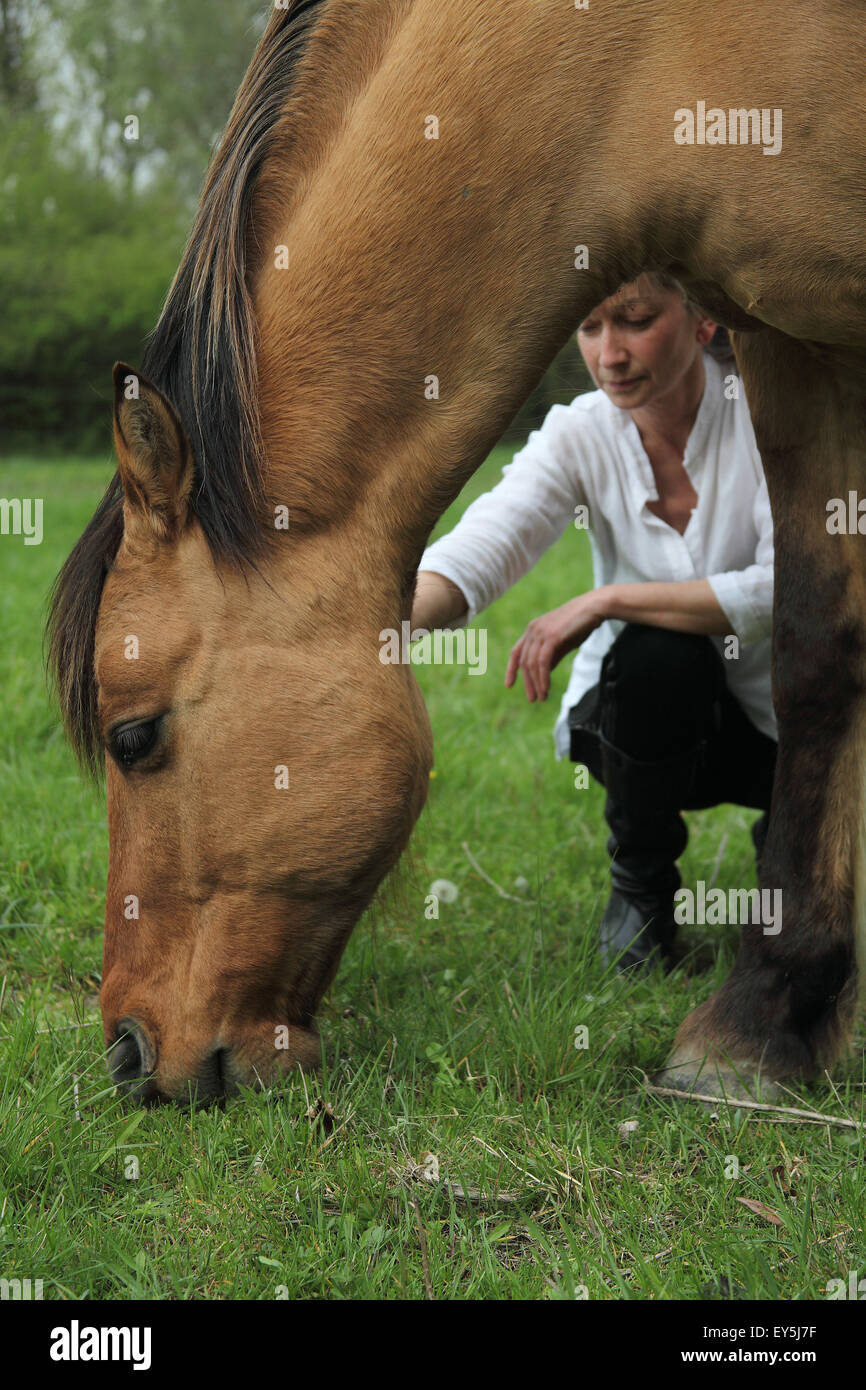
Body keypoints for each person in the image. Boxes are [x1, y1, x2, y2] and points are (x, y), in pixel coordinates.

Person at [412, 273, 777, 972]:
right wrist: (367, 625)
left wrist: (605, 601)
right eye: (589, 328)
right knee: (658, 656)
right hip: (651, 726)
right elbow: (481, 547)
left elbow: (779, 591)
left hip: (787, 726)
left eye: (635, 321)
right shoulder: (581, 431)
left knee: (798, 906)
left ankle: (789, 840)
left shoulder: (764, 413)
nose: (609, 354)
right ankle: (640, 895)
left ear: (703, 321)